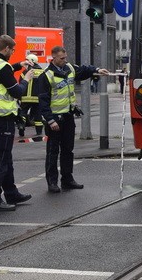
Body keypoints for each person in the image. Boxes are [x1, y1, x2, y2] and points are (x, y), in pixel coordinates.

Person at [36, 45, 109, 193]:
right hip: (55, 119)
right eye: (62, 58)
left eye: (65, 57)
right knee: (52, 152)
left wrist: (96, 70)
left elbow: (82, 70)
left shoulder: (69, 68)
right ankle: (52, 182)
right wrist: (50, 120)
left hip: (68, 116)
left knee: (68, 150)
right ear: (53, 58)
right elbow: (43, 102)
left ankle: (67, 179)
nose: (64, 60)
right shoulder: (47, 76)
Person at [0, 35, 35, 211]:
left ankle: (11, 193)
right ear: (6, 49)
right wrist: (26, 77)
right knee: (0, 158)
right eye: (12, 50)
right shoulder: (2, 66)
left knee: (6, 157)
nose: (12, 53)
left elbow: (2, 74)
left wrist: (19, 65)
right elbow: (18, 92)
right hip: (2, 115)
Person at [17, 53, 45, 139]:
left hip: (25, 98)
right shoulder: (42, 72)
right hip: (37, 98)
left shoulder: (25, 72)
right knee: (38, 115)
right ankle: (39, 131)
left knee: (23, 113)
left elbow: (20, 83)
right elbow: (45, 85)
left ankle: (21, 126)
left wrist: (19, 96)